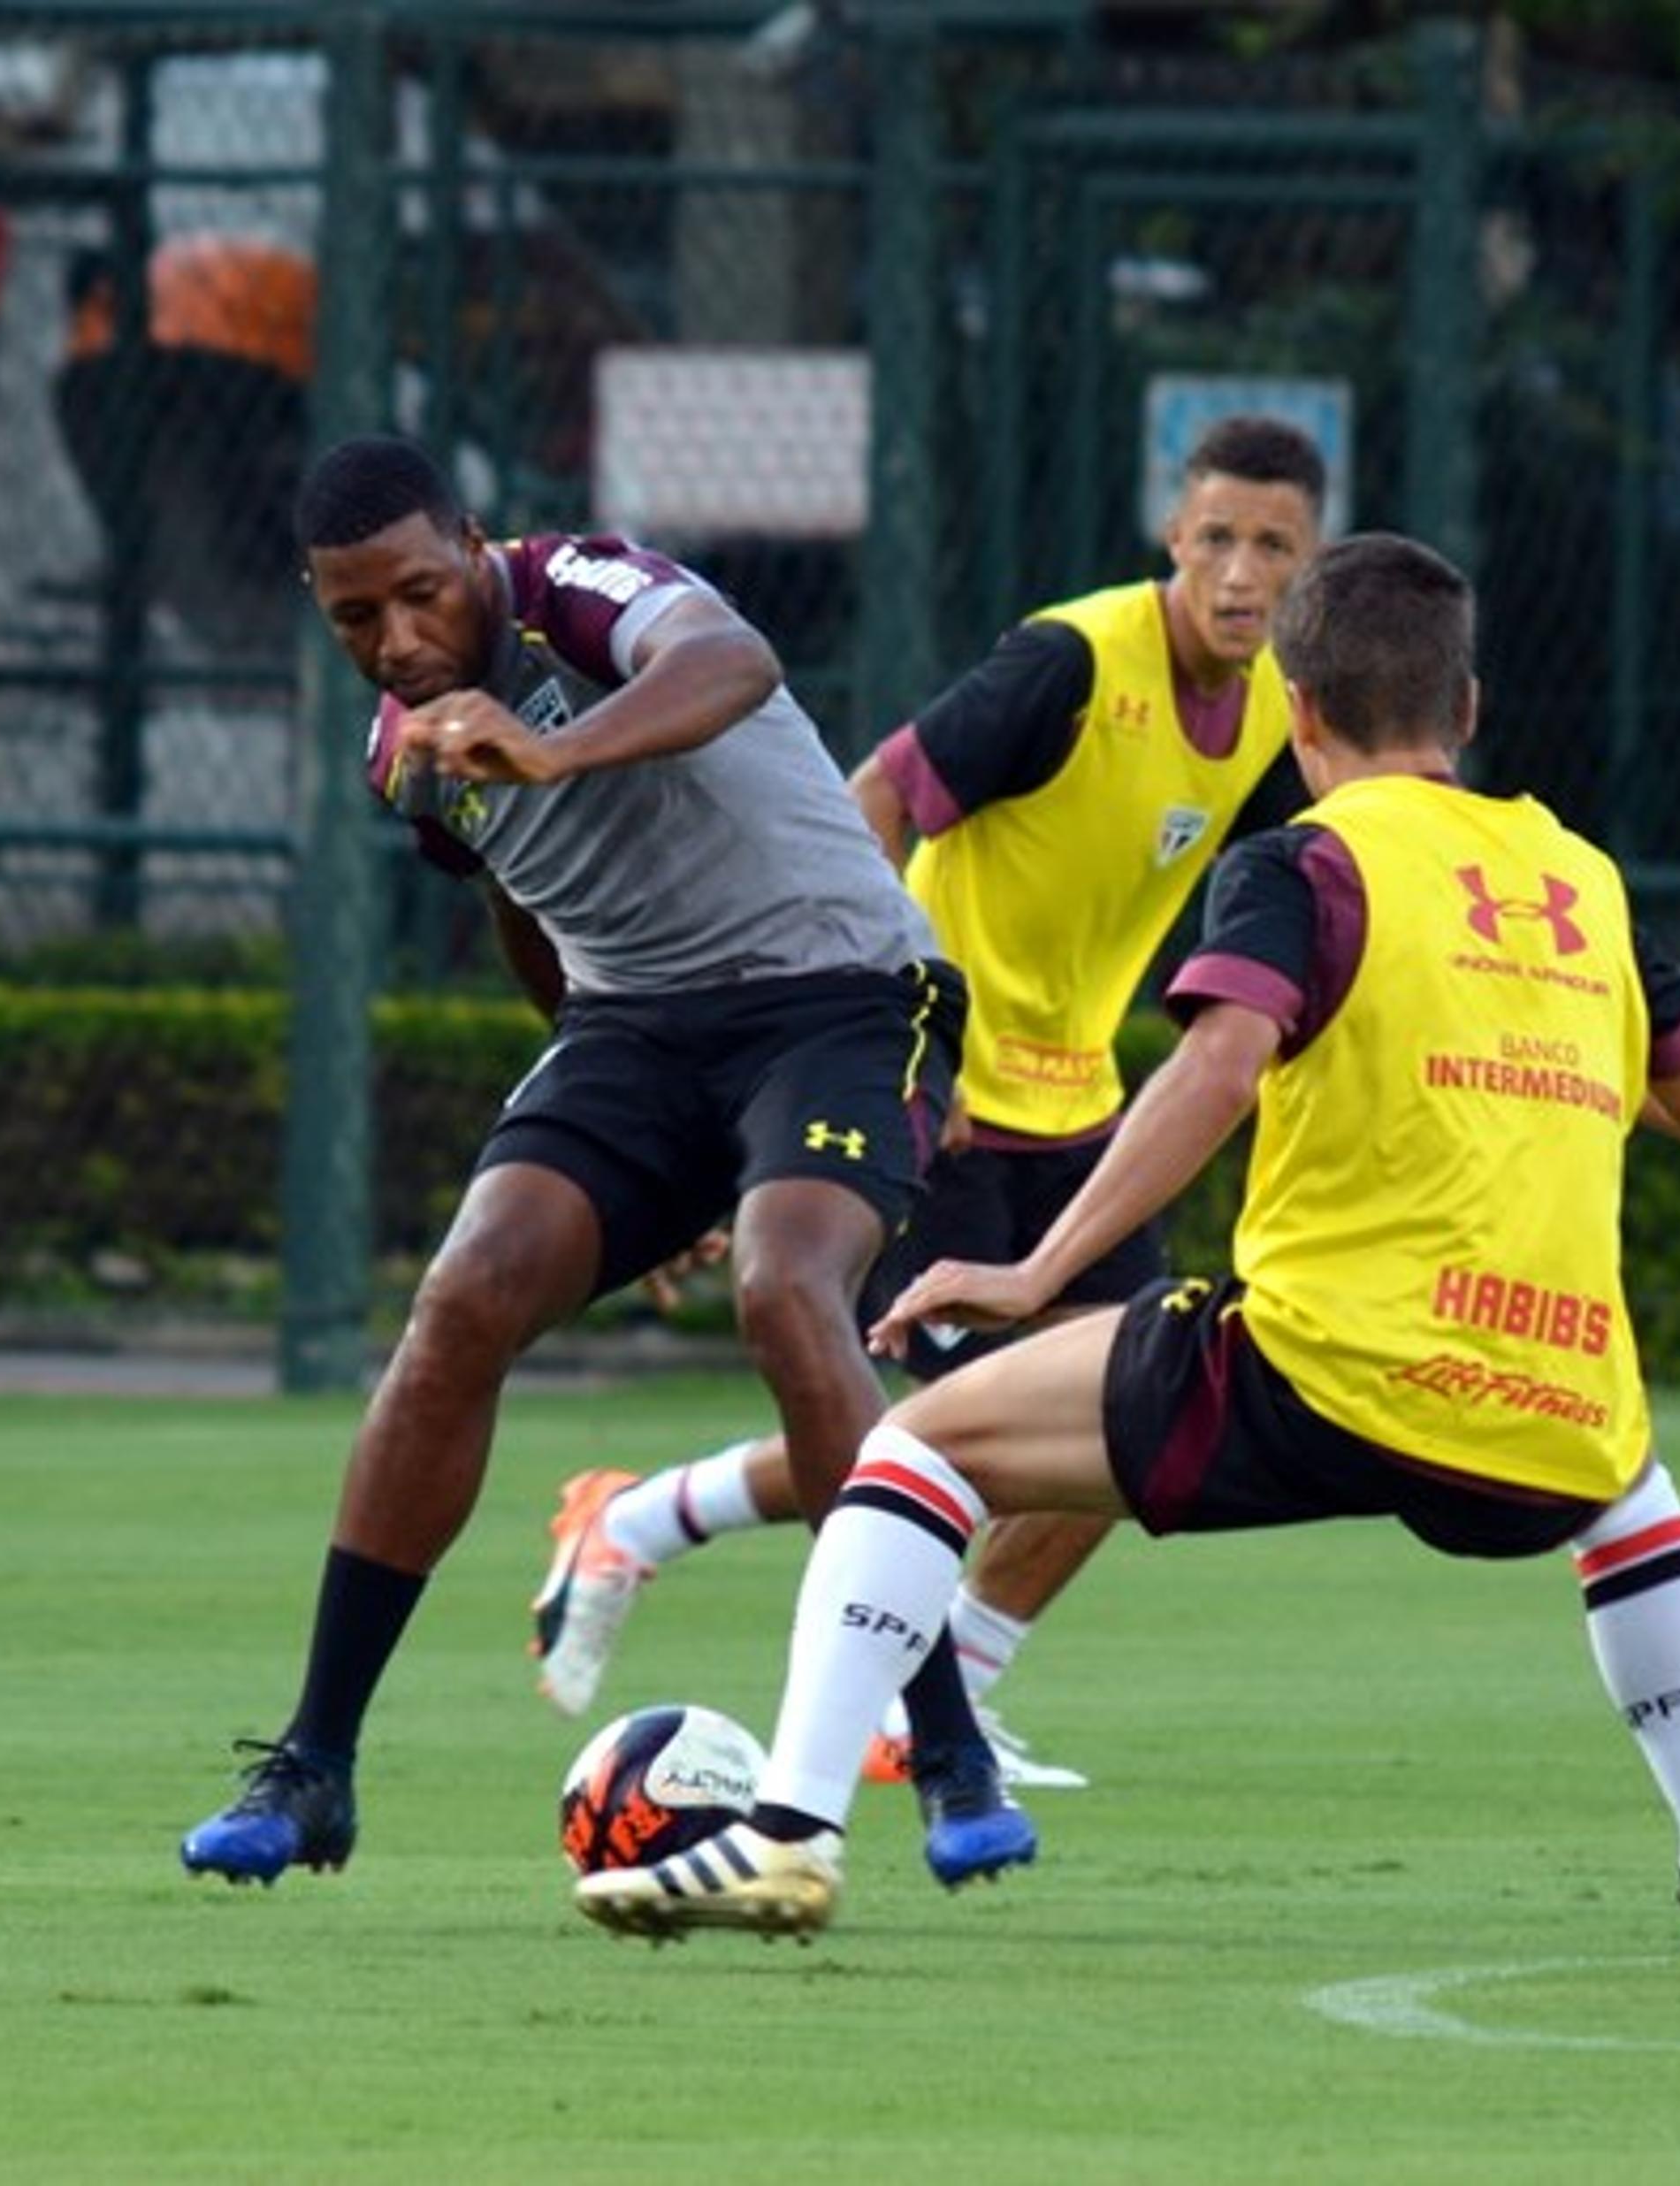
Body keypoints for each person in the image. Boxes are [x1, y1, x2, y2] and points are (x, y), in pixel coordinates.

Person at [573, 533, 1680, 1968]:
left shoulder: (1307, 864)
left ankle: (789, 1833)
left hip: (1326, 1370)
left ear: (1298, 713)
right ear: (1466, 711)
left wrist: (1037, 1278)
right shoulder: (1583, 882)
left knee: (918, 1453)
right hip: (1548, 1395)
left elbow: (1218, 1071)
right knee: (1631, 1493)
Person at [179, 434, 1035, 1891]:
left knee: (785, 1290)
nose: (398, 638)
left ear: (474, 545)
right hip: (635, 1034)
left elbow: (734, 662)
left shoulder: (578, 589)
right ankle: (314, 1764)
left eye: (421, 593)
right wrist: (631, 1142)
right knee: (461, 1299)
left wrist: (558, 742)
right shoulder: (405, 758)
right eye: (353, 618)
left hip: (839, 998)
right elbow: (520, 888)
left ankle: (946, 1749)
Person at [526, 417, 1332, 1795]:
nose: (1241, 573)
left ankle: (856, 1638)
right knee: (975, 1437)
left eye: (1275, 547)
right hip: (945, 1101)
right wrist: (909, 1031)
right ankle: (680, 1543)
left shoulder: (1274, 707)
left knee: (1150, 1408)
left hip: (1079, 1112)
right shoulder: (1069, 663)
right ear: (1172, 539)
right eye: (1217, 539)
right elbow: (873, 800)